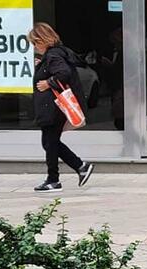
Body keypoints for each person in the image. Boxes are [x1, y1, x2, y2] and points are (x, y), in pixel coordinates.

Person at [30, 23, 94, 193]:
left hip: (53, 107)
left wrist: (48, 83)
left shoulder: (54, 55)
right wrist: (41, 65)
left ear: (42, 40)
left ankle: (54, 179)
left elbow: (62, 73)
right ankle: (80, 166)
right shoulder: (54, 55)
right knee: (50, 142)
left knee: (50, 142)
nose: (35, 47)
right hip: (52, 107)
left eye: (35, 42)